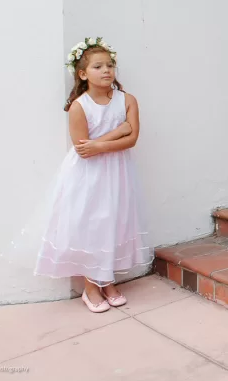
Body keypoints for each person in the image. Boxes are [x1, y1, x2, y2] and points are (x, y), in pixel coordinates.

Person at [35, 38, 151, 313]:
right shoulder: (79, 106)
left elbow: (132, 138)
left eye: (110, 65)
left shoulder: (128, 100)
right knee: (93, 224)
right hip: (88, 175)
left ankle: (107, 280)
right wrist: (113, 134)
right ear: (83, 73)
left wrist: (102, 142)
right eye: (98, 66)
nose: (107, 70)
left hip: (118, 172)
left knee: (114, 221)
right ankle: (90, 287)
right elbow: (84, 150)